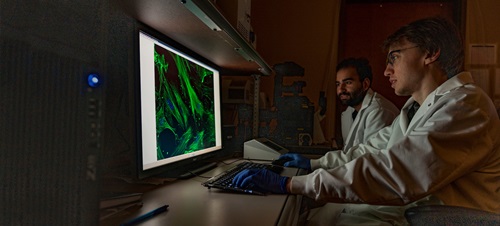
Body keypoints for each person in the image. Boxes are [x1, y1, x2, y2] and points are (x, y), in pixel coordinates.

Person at [232, 16, 500, 224]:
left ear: (430, 52)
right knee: (319, 218)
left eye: (394, 57)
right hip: (415, 210)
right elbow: (372, 150)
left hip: (442, 219)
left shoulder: (465, 106)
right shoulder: (415, 108)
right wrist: (314, 163)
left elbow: (398, 171)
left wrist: (293, 183)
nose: (386, 70)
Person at [335, 57, 399, 150]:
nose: (341, 89)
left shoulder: (379, 110)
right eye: (338, 84)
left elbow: (370, 157)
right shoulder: (349, 112)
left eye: (348, 82)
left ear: (365, 84)